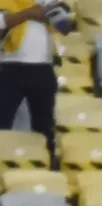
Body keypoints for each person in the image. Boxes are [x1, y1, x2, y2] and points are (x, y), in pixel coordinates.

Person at [0, 1, 70, 158]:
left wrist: (52, 15)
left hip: (44, 69)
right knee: (2, 121)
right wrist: (28, 14)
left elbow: (66, 28)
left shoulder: (50, 1)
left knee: (44, 126)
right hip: (11, 67)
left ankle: (47, 166)